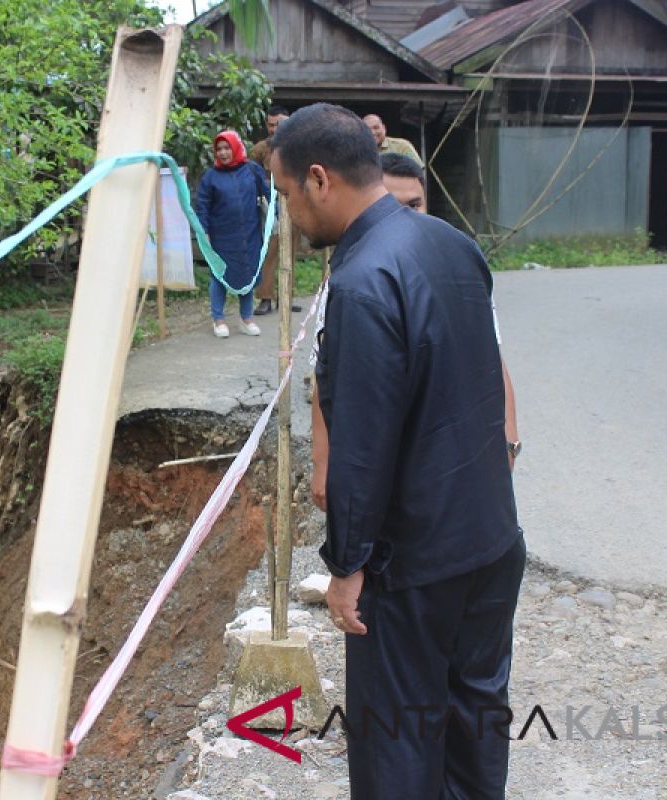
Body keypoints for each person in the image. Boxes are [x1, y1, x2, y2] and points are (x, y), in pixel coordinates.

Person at [269, 104, 524, 799]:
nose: (290, 213)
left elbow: (362, 444)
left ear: (319, 180)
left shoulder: (360, 283)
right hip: (492, 542)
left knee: (397, 747)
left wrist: (347, 564)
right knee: (474, 725)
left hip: (415, 563)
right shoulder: (452, 245)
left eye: (287, 194)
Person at [310, 152, 520, 514]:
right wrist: (322, 463)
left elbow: (491, 355)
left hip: (454, 455)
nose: (404, 214)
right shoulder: (350, 281)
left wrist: (509, 441)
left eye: (414, 204)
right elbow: (325, 378)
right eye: (393, 204)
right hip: (382, 458)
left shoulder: (457, 268)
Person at [195, 131, 269, 338]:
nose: (223, 152)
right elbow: (202, 207)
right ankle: (218, 320)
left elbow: (267, 194)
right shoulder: (211, 177)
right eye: (219, 149)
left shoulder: (252, 170)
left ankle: (247, 319)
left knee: (247, 274)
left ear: (236, 147)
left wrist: (278, 214)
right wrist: (204, 233)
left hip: (250, 235)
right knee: (219, 276)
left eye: (227, 148)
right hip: (222, 238)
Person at [249, 106, 301, 316]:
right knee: (268, 254)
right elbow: (250, 174)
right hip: (270, 208)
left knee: (290, 253)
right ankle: (265, 298)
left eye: (277, 124)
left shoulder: (299, 146)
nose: (273, 129)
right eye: (270, 125)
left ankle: (287, 298)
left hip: (295, 204)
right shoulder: (261, 149)